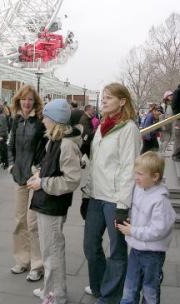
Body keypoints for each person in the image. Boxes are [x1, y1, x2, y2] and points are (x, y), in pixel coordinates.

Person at [83, 83, 141, 303]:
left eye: (109, 97)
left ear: (122, 101)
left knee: (117, 250)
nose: (104, 101)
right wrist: (87, 193)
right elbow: (96, 163)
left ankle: (110, 296)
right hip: (96, 197)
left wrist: (122, 205)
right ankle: (99, 286)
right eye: (103, 97)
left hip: (115, 200)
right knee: (90, 246)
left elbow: (129, 168)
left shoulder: (129, 129)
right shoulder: (101, 127)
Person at [27, 99, 82, 304]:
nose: (43, 120)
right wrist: (39, 174)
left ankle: (56, 295)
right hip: (46, 202)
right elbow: (53, 168)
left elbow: (72, 180)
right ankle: (50, 289)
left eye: (46, 117)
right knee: (48, 250)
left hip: (52, 205)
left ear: (54, 120)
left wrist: (43, 182)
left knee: (53, 252)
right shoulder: (55, 140)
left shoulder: (66, 145)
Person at [118, 151, 176, 304]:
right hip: (136, 250)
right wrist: (127, 220)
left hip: (152, 255)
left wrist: (133, 231)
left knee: (150, 290)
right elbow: (137, 212)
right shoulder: (139, 188)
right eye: (135, 173)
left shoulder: (160, 201)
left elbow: (158, 230)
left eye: (140, 174)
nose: (136, 177)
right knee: (129, 287)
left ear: (155, 177)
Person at [8, 84, 46, 282]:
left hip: (33, 177)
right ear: (18, 100)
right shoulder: (16, 120)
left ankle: (37, 264)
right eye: (24, 99)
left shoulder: (40, 121)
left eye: (30, 99)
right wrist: (11, 164)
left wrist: (38, 169)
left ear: (35, 101)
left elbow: (45, 148)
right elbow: (11, 144)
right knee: (19, 221)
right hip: (19, 176)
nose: (27, 102)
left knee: (32, 223)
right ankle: (22, 260)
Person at [0, 104, 9, 169]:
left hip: (1, 137)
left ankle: (6, 163)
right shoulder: (0, 116)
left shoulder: (1, 117)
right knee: (1, 150)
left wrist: (1, 136)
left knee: (3, 150)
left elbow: (3, 127)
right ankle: (4, 162)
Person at [171, 84, 180, 161]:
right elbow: (174, 106)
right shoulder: (177, 92)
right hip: (178, 118)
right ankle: (176, 155)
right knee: (178, 137)